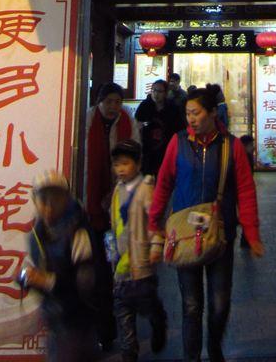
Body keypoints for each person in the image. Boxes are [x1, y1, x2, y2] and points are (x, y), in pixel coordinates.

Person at [149, 84, 263, 362]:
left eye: (196, 113)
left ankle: (214, 348)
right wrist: (155, 224)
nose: (191, 119)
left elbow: (246, 190)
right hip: (183, 234)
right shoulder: (178, 143)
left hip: (220, 233)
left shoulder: (231, 146)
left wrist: (251, 232)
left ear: (213, 113)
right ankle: (192, 357)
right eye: (188, 113)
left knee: (219, 303)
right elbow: (164, 184)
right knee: (191, 304)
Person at [85, 82, 139, 349]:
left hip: (120, 209)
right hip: (90, 207)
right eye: (109, 101)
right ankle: (103, 330)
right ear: (99, 102)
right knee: (98, 271)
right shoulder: (86, 121)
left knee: (116, 269)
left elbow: (135, 162)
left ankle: (120, 329)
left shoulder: (129, 123)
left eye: (118, 102)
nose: (113, 107)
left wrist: (117, 192)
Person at [22, 170, 98, 362]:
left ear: (66, 200)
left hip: (77, 322)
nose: (49, 207)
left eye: (55, 199)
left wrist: (47, 281)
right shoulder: (36, 234)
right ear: (35, 201)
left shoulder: (78, 233)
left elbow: (86, 285)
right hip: (53, 319)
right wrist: (26, 278)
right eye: (43, 200)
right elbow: (36, 270)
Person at [109, 140, 167, 362]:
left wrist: (156, 245)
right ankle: (129, 352)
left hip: (140, 263)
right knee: (123, 313)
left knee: (146, 303)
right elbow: (115, 224)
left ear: (138, 164)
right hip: (120, 266)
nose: (121, 169)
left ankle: (158, 320)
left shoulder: (145, 189)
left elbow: (155, 220)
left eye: (125, 163)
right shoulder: (117, 190)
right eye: (117, 164)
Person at [135, 79, 184, 176]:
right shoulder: (145, 106)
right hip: (147, 150)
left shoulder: (172, 108)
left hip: (166, 149)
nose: (156, 94)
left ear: (166, 93)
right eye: (154, 90)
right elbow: (137, 124)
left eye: (160, 91)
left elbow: (179, 129)